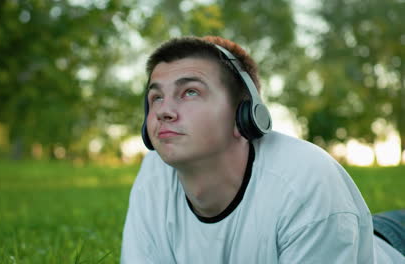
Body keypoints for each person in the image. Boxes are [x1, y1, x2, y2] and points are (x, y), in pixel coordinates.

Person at [121, 36, 404, 263]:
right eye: (156, 97)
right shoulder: (154, 175)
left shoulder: (306, 181)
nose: (164, 111)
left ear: (245, 115)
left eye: (190, 92)